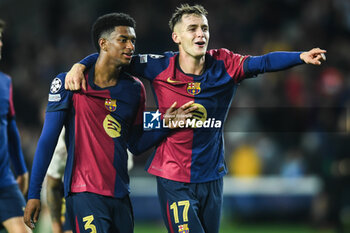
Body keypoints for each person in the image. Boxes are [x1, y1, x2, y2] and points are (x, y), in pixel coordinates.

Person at [64, 4, 327, 233]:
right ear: (176, 37)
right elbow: (110, 56)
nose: (200, 33)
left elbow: (263, 62)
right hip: (173, 177)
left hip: (211, 176)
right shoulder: (158, 66)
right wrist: (80, 65)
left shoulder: (225, 64)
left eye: (204, 28)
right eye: (192, 28)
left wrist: (300, 57)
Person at [24, 13, 195, 233]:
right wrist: (33, 194)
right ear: (103, 43)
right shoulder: (69, 83)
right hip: (84, 192)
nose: (131, 46)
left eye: (133, 40)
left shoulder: (134, 89)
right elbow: (47, 140)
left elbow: (135, 143)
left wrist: (166, 124)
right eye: (123, 39)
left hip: (120, 194)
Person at [0, 19, 31, 233]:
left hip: (4, 182)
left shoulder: (5, 83)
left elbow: (10, 127)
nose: (0, 44)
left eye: (0, 39)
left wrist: (21, 169)